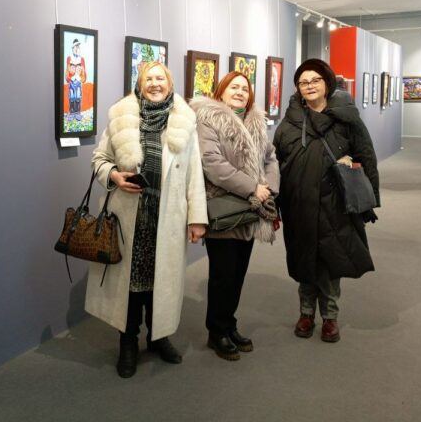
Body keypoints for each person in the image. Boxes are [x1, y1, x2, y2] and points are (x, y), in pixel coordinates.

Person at [87, 61, 208, 378]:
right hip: (129, 218)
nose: (155, 84)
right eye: (148, 79)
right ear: (139, 85)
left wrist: (197, 219)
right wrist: (114, 175)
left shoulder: (185, 121)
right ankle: (128, 342)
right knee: (130, 286)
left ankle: (158, 337)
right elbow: (99, 159)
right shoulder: (120, 118)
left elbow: (194, 174)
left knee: (161, 282)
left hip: (167, 219)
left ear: (170, 84)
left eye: (160, 78)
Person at [274, 59, 379, 343]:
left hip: (336, 203)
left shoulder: (347, 120)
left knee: (332, 259)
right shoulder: (290, 123)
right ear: (298, 88)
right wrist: (276, 203)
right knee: (304, 258)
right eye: (303, 82)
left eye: (315, 80)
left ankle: (330, 316)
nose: (309, 86)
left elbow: (367, 157)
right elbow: (277, 161)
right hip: (299, 204)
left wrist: (368, 201)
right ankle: (306, 313)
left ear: (327, 83)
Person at [191, 71, 279, 361]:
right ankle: (216, 331)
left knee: (238, 273)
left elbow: (270, 157)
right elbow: (212, 163)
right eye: (234, 87)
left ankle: (229, 324)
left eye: (244, 88)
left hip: (251, 210)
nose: (240, 92)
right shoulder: (207, 118)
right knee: (222, 275)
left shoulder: (255, 121)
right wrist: (252, 187)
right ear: (221, 91)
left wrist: (269, 187)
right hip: (225, 208)